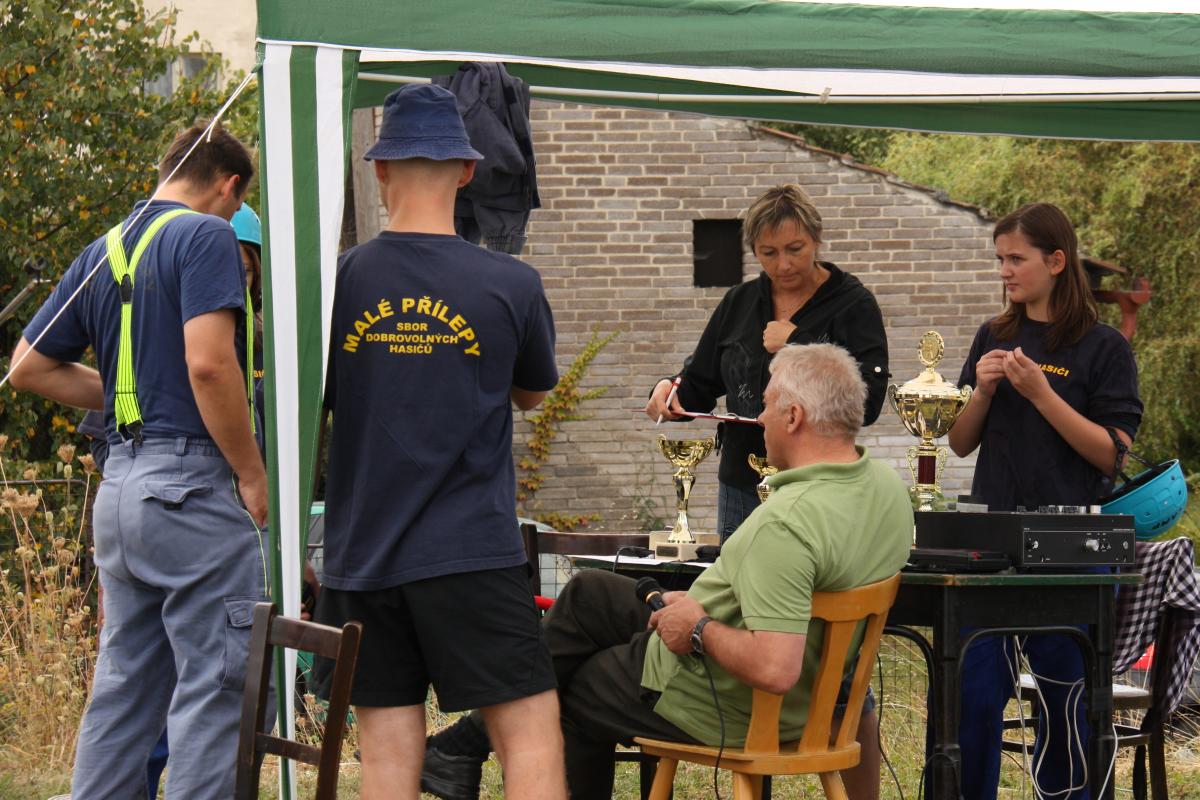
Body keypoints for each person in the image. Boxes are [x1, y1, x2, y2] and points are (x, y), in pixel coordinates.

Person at [426, 343, 913, 800]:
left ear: (794, 416)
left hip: (722, 697)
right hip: (813, 698)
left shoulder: (788, 523)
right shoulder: (886, 490)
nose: (759, 418)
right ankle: (463, 744)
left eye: (765, 405)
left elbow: (775, 668)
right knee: (588, 593)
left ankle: (463, 746)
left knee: (568, 689)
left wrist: (698, 627)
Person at [311, 83, 564, 800]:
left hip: (364, 555)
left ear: (381, 169)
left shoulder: (337, 283)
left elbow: (315, 399)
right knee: (529, 734)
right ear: (467, 171)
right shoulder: (512, 284)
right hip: (471, 551)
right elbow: (531, 393)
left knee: (387, 754)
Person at [11, 121, 266, 798]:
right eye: (238, 205)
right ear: (229, 186)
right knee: (216, 687)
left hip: (120, 487)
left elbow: (27, 367)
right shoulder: (206, 235)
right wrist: (251, 472)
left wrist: (140, 393)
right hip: (191, 491)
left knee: (125, 688)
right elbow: (210, 365)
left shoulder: (102, 249)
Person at [947, 202, 1142, 800]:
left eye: (1016, 259)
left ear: (1056, 261)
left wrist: (1041, 394)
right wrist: (982, 392)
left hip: (1072, 555)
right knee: (972, 697)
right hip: (991, 549)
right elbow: (958, 443)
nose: (1004, 271)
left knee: (1067, 706)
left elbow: (1112, 453)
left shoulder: (1104, 347)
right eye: (999, 259)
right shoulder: (993, 335)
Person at [644, 183, 889, 542]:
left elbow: (870, 401)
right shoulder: (738, 302)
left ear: (817, 238)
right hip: (741, 486)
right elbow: (699, 382)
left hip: (817, 485)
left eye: (795, 249)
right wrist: (669, 390)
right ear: (753, 250)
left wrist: (797, 341)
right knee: (736, 576)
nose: (783, 264)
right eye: (768, 253)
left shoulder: (854, 304)